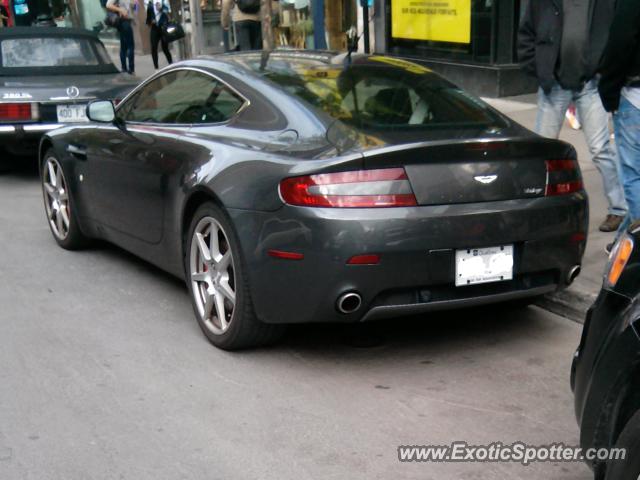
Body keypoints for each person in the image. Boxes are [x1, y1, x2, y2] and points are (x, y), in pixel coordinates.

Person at [518, 0, 628, 233]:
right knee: (541, 150)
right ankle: (531, 205)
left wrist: (603, 70)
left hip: (590, 84)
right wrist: (539, 69)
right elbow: (527, 31)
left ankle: (619, 209)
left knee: (600, 149)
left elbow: (614, 33)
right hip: (554, 84)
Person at [599, 0, 640, 241]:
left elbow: (621, 41)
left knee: (633, 175)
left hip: (633, 95)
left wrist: (609, 90)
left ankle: (634, 248)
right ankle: (621, 244)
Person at [107, 0, 137, 74]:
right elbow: (108, 5)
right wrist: (120, 10)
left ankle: (124, 69)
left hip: (127, 21)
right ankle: (131, 69)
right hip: (123, 21)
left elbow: (136, 9)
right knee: (130, 46)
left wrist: (136, 3)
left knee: (123, 46)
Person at [145, 0, 172, 69]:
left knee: (165, 48)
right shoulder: (150, 4)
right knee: (154, 48)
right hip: (154, 29)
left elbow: (168, 12)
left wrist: (162, 8)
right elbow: (148, 20)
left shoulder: (164, 1)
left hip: (163, 27)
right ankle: (156, 68)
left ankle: (171, 64)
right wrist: (151, 21)